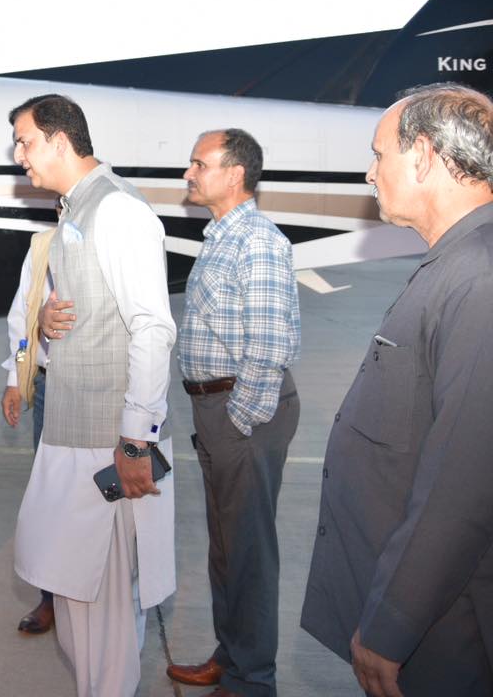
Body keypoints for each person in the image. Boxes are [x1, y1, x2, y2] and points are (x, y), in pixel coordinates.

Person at [301, 84, 493, 697]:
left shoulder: (478, 279)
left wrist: (392, 625)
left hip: (445, 627)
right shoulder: (457, 262)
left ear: (425, 156)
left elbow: (462, 486)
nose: (369, 172)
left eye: (379, 154)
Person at [8, 94, 177, 697]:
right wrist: (45, 327)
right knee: (74, 599)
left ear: (59, 141)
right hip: (71, 436)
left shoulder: (118, 210)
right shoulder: (76, 209)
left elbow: (152, 329)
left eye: (25, 142)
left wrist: (135, 442)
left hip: (106, 448)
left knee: (103, 615)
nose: (19, 156)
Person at [167, 129, 300, 697]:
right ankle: (233, 655)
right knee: (226, 547)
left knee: (247, 550)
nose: (189, 174)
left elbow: (269, 346)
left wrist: (238, 419)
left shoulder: (257, 241)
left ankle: (253, 680)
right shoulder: (222, 236)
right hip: (216, 409)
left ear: (235, 174)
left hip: (241, 410)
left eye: (200, 164)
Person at [1, 222, 56, 636]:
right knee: (49, 496)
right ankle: (51, 598)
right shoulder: (43, 247)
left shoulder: (113, 238)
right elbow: (23, 318)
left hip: (99, 391)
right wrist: (15, 380)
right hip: (49, 385)